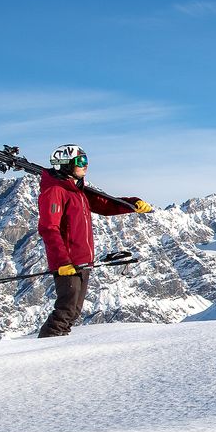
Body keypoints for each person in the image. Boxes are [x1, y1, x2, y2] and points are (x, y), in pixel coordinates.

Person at [37, 144, 152, 337]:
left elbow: (104, 204)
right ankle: (43, 354)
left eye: (86, 160)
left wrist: (132, 204)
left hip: (82, 261)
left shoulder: (77, 191)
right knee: (65, 312)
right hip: (68, 262)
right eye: (80, 161)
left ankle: (53, 350)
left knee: (73, 312)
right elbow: (49, 228)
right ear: (65, 165)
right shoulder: (55, 191)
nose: (86, 165)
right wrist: (63, 262)